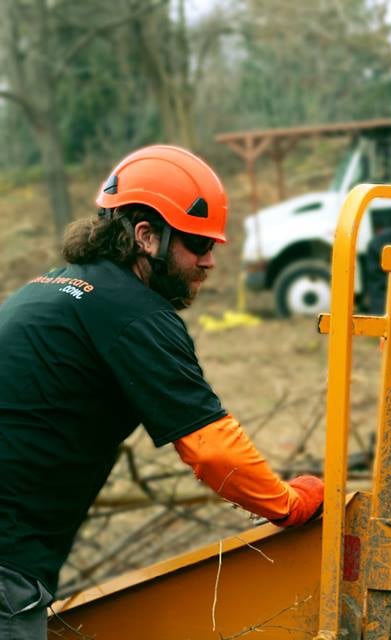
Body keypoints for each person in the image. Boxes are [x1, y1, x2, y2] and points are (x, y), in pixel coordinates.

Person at [0, 145, 325, 639]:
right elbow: (211, 450)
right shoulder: (134, 314)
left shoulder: (48, 290)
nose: (210, 260)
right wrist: (289, 503)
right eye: (197, 243)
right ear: (146, 237)